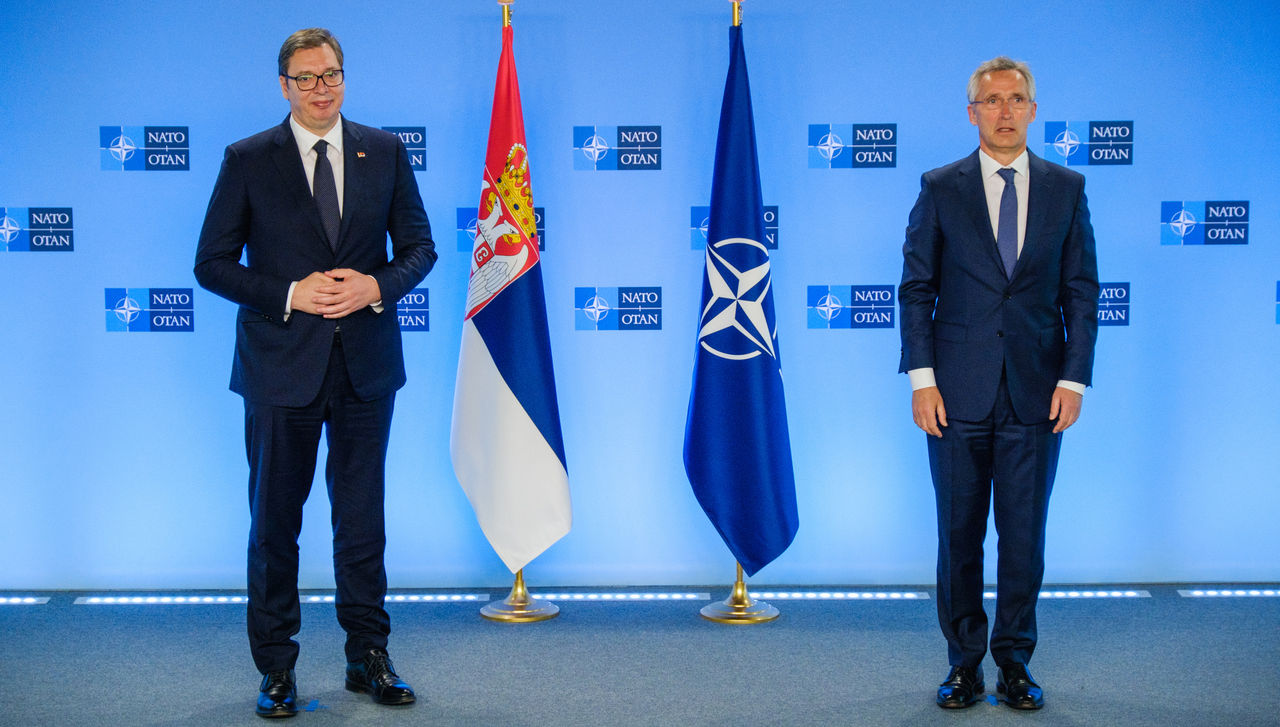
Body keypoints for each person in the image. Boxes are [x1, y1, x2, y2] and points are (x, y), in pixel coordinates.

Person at [194, 27, 436, 719]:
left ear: (344, 77)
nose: (320, 87)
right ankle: (276, 667)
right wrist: (289, 294)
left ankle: (369, 656)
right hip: (279, 371)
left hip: (366, 368)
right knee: (275, 525)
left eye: (330, 74)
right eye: (305, 77)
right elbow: (211, 264)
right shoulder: (247, 159)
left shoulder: (384, 150)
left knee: (362, 523)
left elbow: (419, 247)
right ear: (284, 86)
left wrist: (376, 285)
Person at [897, 56, 1099, 711]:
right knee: (958, 537)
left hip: (1037, 395)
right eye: (992, 100)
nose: (1004, 111)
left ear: (1033, 111)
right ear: (972, 113)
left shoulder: (1067, 188)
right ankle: (964, 665)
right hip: (954, 395)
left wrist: (1074, 379)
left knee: (1023, 537)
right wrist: (922, 380)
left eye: (1016, 99)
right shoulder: (939, 187)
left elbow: (1081, 293)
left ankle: (1014, 661)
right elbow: (917, 289)